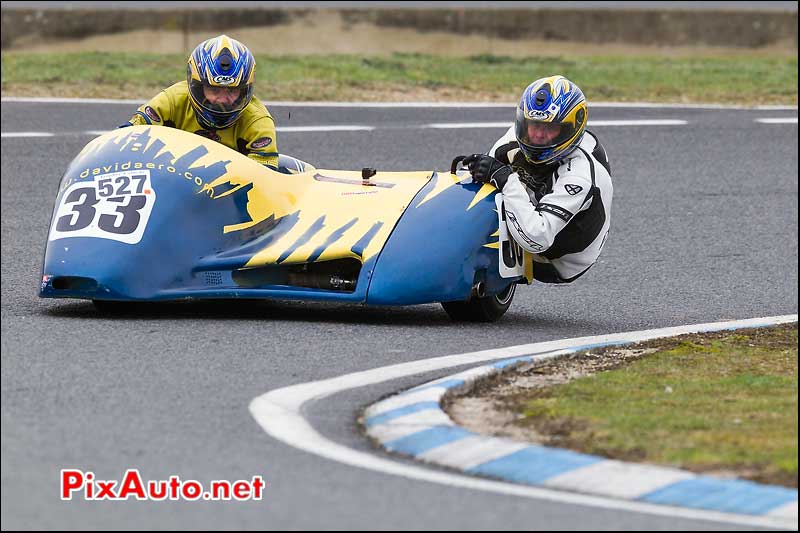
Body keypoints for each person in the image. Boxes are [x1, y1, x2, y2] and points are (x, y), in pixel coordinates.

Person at [460, 75, 613, 284]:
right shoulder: (516, 139)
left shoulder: (581, 173)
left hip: (558, 258)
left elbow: (536, 239)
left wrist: (506, 180)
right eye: (533, 125)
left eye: (550, 129)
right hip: (534, 218)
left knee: (475, 237)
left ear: (571, 128)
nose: (538, 136)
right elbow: (487, 185)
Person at [121, 35, 279, 170]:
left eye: (231, 91)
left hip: (228, 195)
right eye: (214, 90)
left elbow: (265, 179)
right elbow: (125, 138)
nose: (223, 100)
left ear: (246, 90)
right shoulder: (171, 101)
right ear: (196, 86)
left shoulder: (258, 122)